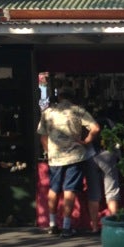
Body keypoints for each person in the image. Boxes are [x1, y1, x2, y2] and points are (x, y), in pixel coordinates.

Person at [37, 87, 100, 238]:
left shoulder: (48, 112)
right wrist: (86, 141)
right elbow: (96, 128)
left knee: (54, 188)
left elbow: (42, 136)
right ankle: (66, 227)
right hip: (74, 155)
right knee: (69, 189)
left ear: (59, 97)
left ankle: (53, 224)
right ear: (73, 98)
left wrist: (48, 151)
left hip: (55, 156)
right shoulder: (78, 111)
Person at [83, 110, 121, 233]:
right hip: (108, 155)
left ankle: (95, 226)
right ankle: (114, 225)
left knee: (93, 194)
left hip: (90, 156)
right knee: (112, 191)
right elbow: (118, 143)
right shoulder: (110, 123)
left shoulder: (88, 123)